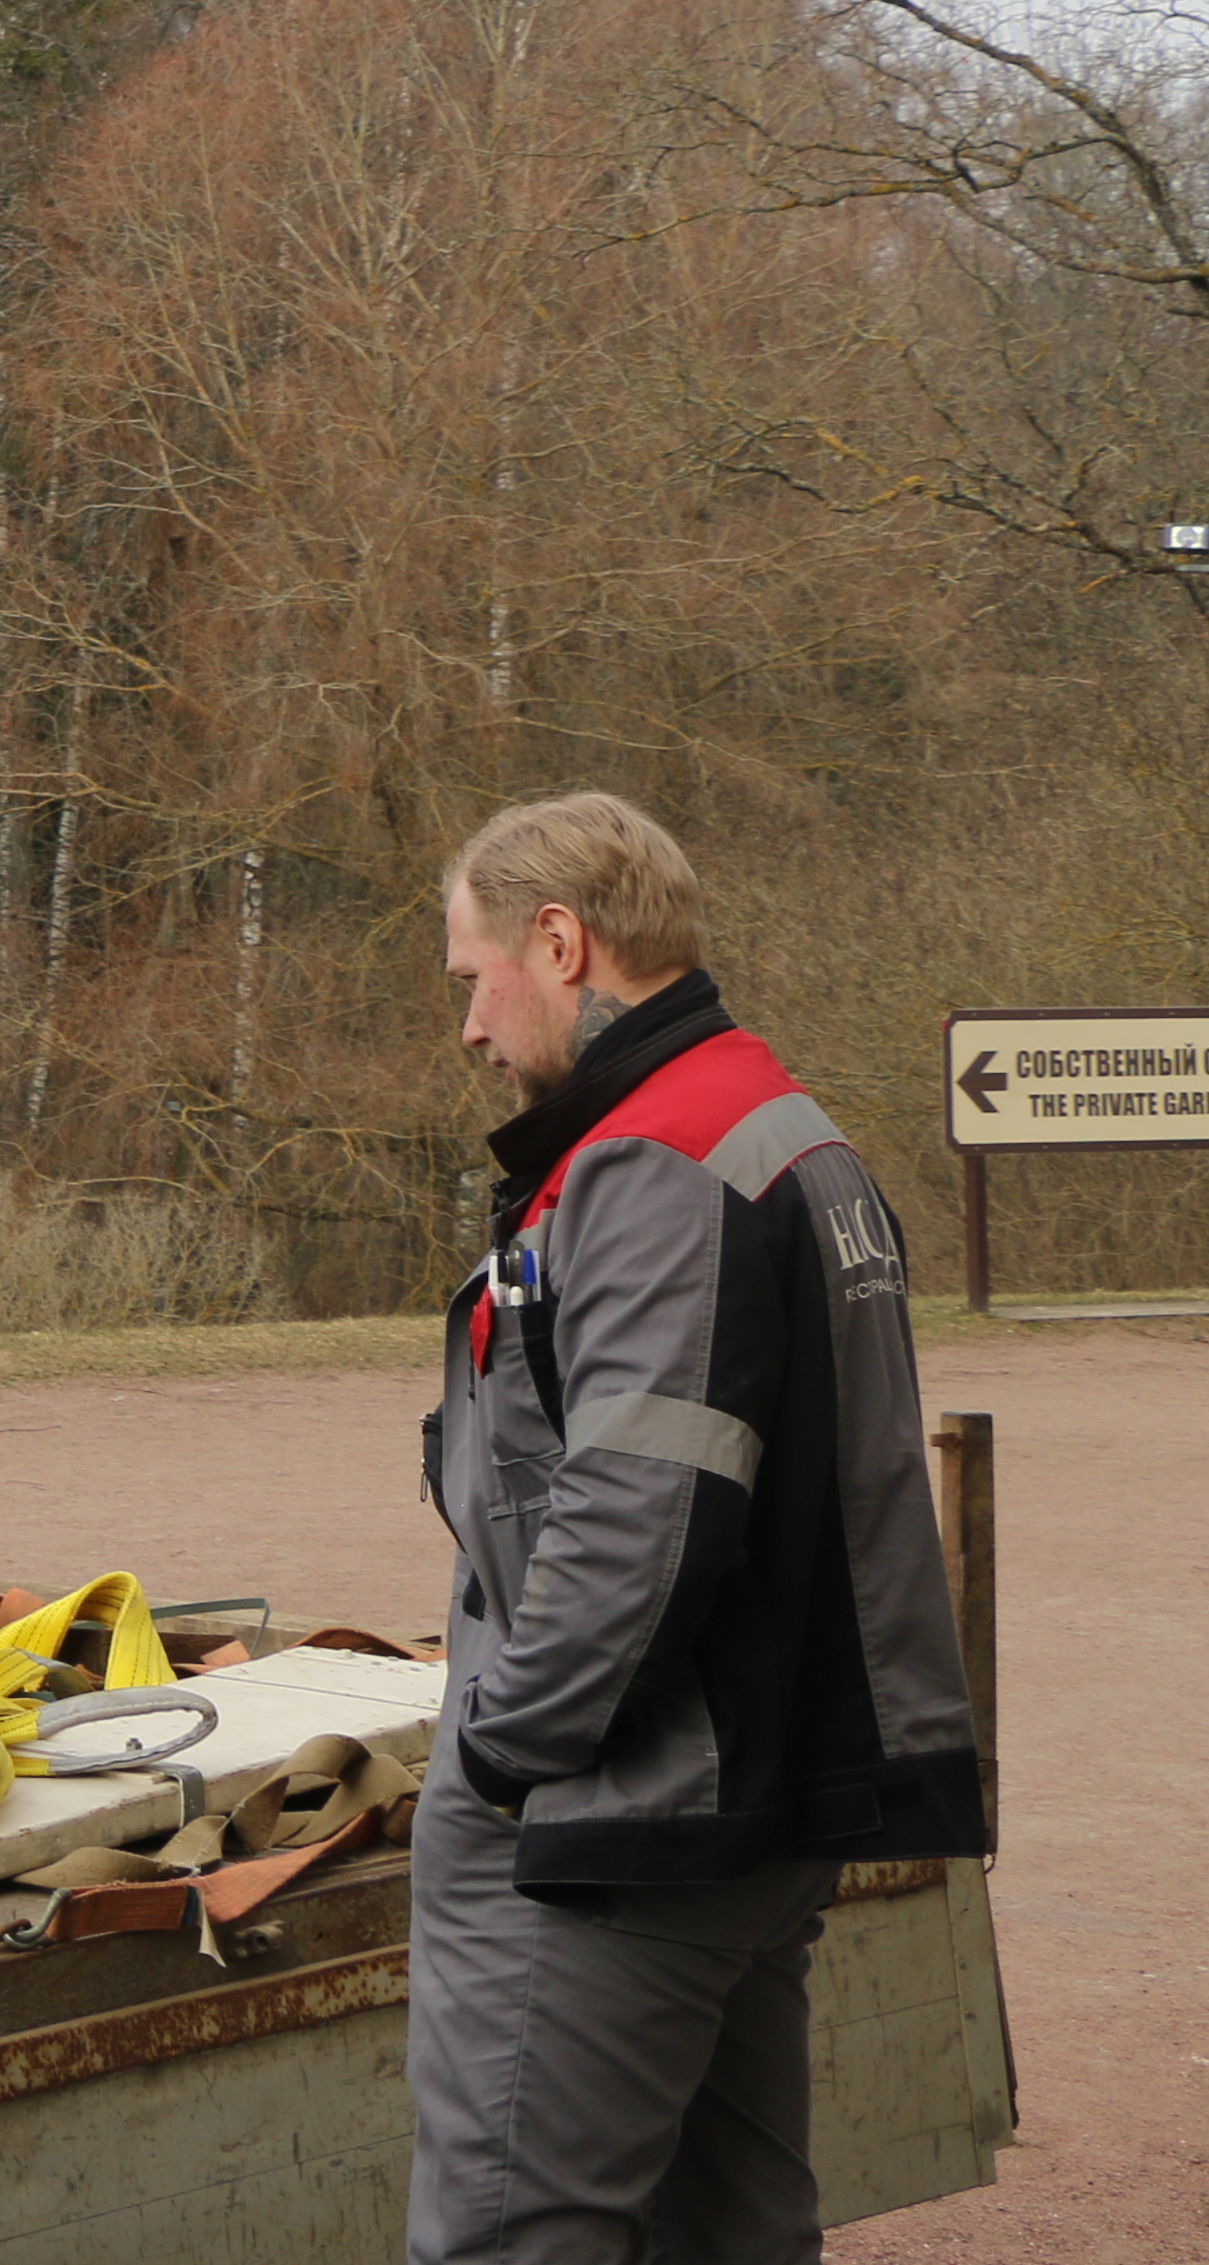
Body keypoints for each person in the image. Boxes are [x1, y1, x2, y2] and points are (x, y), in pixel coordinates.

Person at [410, 791, 985, 2265]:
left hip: (620, 1814)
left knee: (509, 2236)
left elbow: (640, 1517)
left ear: (561, 942)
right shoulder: (784, 1132)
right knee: (727, 2232)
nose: (471, 1027)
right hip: (751, 1792)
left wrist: (502, 1749)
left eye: (475, 977)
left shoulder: (661, 1160)